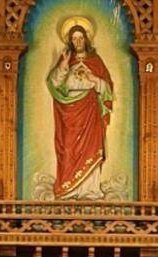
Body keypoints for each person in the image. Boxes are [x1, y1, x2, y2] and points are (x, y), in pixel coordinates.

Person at [46, 22, 114, 200]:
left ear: (86, 39)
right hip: (69, 111)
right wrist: (64, 65)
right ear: (70, 41)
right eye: (74, 39)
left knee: (91, 147)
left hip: (90, 110)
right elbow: (54, 83)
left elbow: (107, 88)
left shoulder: (95, 61)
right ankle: (70, 189)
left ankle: (90, 190)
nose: (77, 42)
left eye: (80, 38)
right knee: (69, 149)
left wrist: (94, 78)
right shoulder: (66, 60)